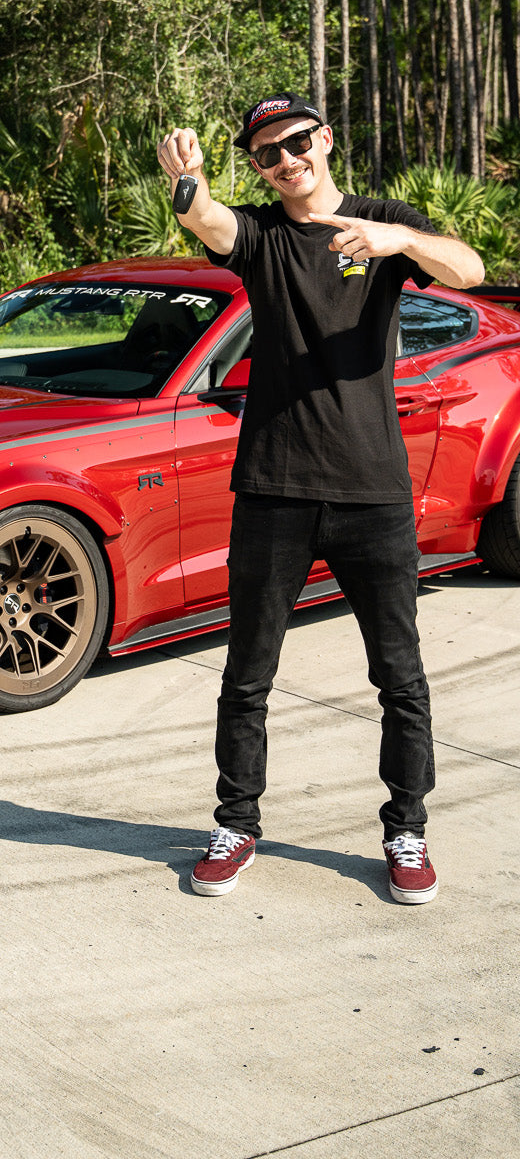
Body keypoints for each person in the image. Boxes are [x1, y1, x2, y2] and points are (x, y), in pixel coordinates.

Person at [157, 93, 485, 905]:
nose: (286, 160)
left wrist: (398, 240)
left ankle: (406, 833)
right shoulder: (265, 237)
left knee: (400, 677)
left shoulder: (381, 224)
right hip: (273, 487)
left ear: (325, 139)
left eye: (296, 142)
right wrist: (188, 184)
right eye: (267, 154)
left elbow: (470, 269)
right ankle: (236, 824)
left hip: (372, 489)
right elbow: (209, 224)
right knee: (247, 675)